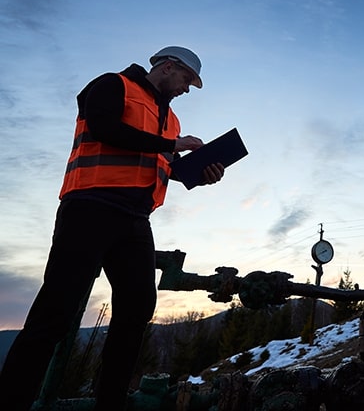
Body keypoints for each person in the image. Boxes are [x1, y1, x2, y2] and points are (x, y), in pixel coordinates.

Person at [0, 46, 225, 411]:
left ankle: (110, 403)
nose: (186, 89)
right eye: (186, 79)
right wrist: (171, 144)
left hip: (135, 219)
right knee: (55, 312)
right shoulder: (112, 84)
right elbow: (104, 128)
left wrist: (201, 175)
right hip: (89, 207)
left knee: (137, 310)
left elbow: (166, 166)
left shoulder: (172, 120)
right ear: (168, 67)